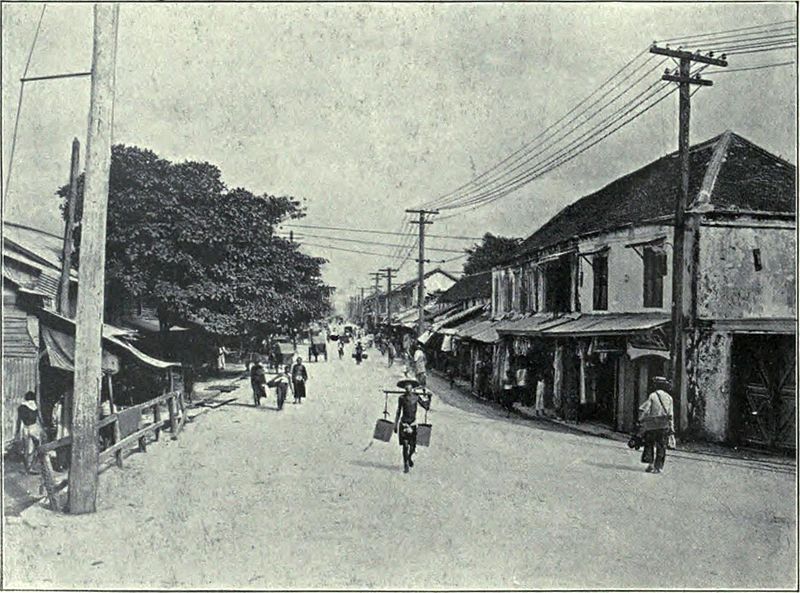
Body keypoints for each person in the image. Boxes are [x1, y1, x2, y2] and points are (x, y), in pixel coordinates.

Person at [637, 376, 675, 474]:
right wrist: (671, 427)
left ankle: (650, 465)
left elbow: (646, 409)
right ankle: (659, 467)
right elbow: (671, 414)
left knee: (649, 444)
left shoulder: (653, 396)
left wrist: (641, 419)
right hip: (664, 425)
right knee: (661, 446)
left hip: (652, 424)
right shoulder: (669, 398)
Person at [394, 378, 431, 474]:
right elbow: (398, 411)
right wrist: (395, 424)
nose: (407, 387)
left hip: (413, 424)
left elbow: (426, 406)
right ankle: (405, 464)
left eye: (409, 385)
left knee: (413, 447)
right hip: (404, 424)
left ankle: (409, 457)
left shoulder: (416, 397)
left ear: (412, 387)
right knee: (405, 446)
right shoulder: (401, 398)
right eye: (405, 386)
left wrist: (429, 398)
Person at [15, 392, 44, 474]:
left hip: (25, 428)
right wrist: (43, 427)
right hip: (34, 427)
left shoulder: (21, 407)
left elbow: (19, 420)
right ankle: (32, 466)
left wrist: (17, 431)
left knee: (27, 448)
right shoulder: (35, 406)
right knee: (36, 446)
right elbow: (39, 419)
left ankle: (28, 467)